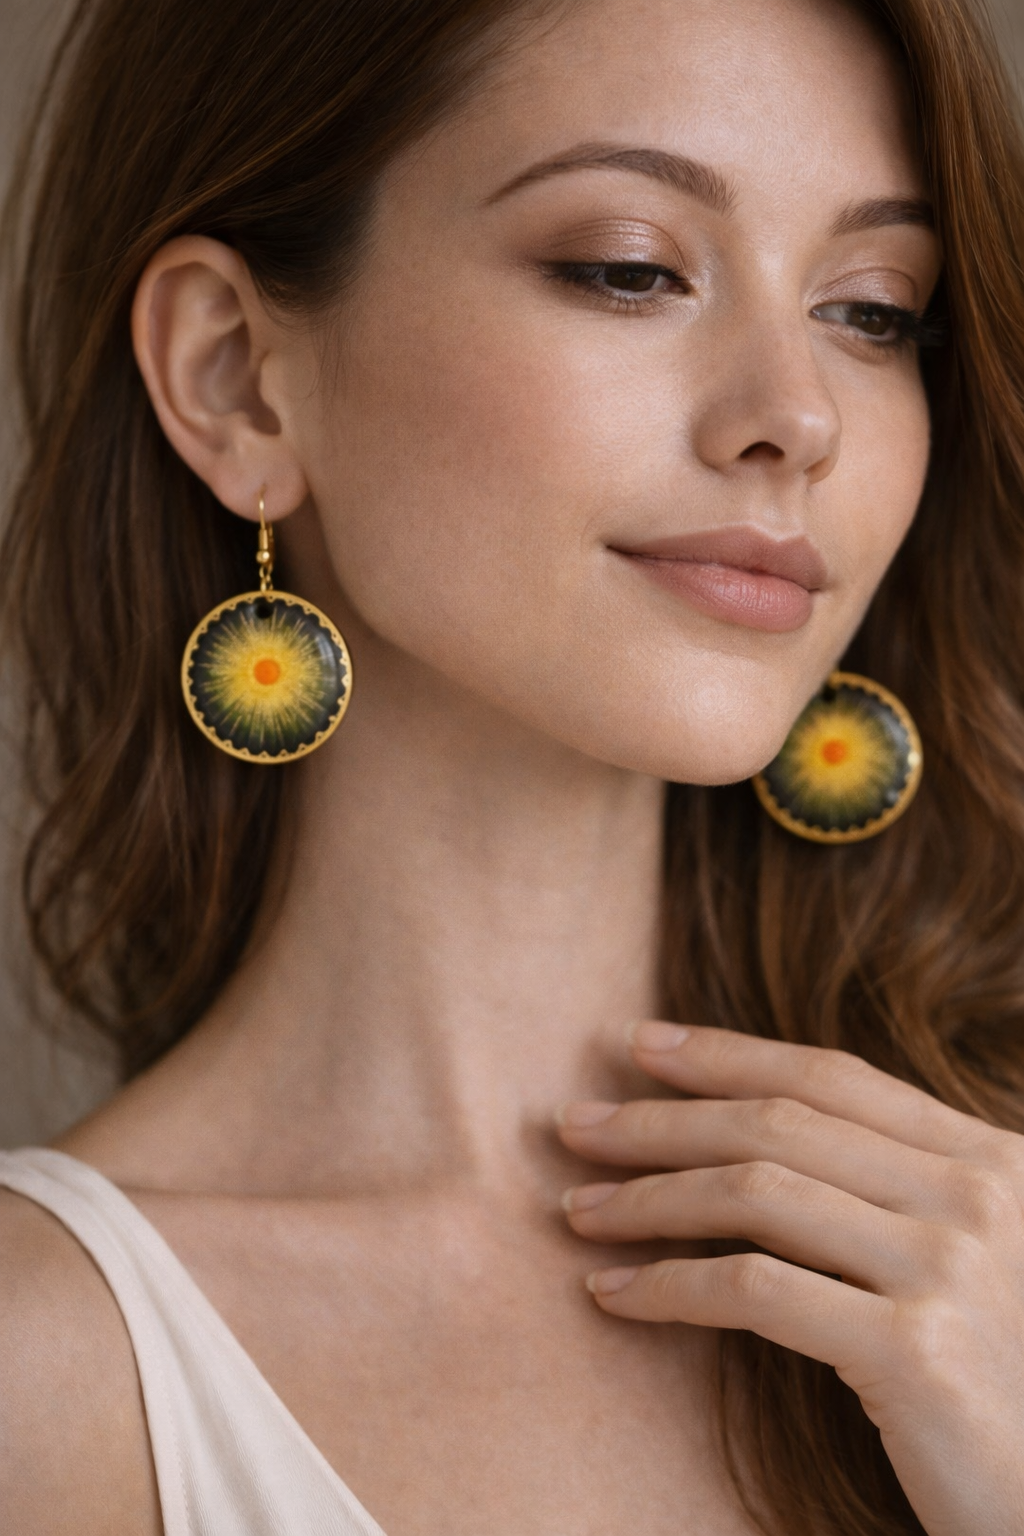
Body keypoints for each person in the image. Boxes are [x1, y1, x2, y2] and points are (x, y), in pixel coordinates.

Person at [1, 0, 1024, 1530]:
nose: (800, 417)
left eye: (874, 310)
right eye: (630, 268)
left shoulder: (999, 1266)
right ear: (235, 377)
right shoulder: (43, 1380)